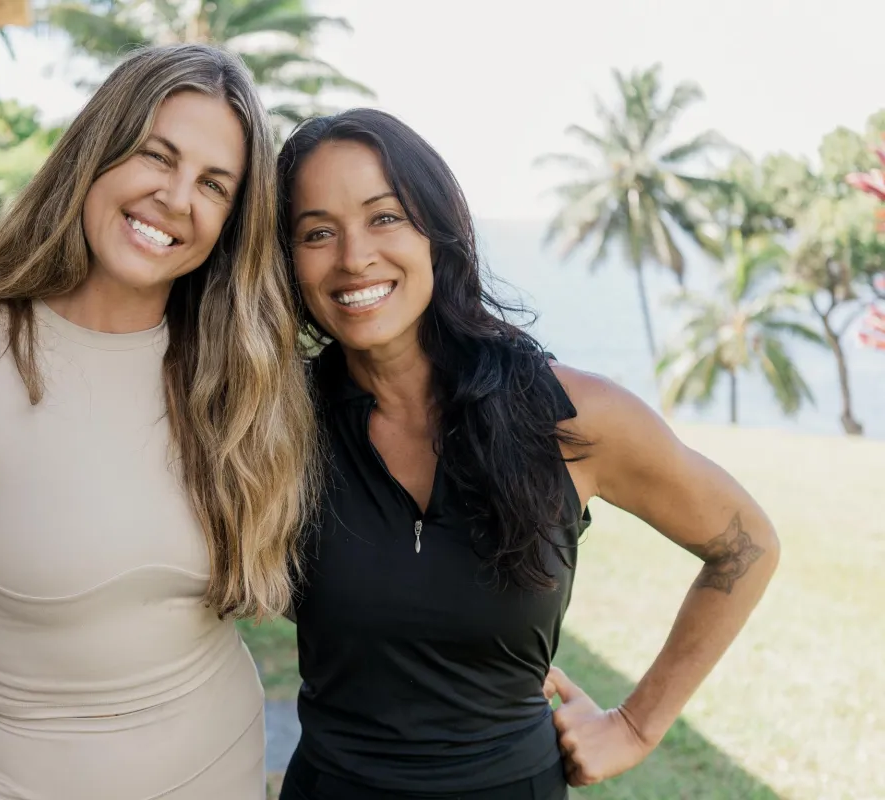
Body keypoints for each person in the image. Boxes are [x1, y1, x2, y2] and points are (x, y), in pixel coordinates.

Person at [0, 43, 318, 800]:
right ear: (98, 148)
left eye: (213, 185)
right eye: (155, 155)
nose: (175, 196)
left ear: (231, 223)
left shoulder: (243, 377)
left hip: (219, 773)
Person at [275, 108, 781, 800]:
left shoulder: (570, 419)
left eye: (385, 217)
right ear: (287, 263)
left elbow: (747, 544)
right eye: (316, 232)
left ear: (438, 232)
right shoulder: (274, 427)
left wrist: (635, 726)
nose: (353, 256)